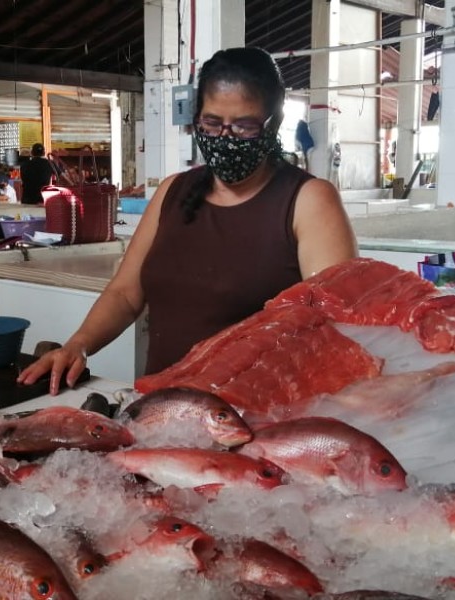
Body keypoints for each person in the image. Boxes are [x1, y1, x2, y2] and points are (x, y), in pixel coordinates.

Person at [18, 47, 358, 395]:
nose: (225, 138)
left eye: (243, 127)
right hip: (163, 410)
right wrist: (78, 345)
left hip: (253, 420)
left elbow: (336, 326)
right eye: (211, 123)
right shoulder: (173, 191)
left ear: (274, 123)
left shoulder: (308, 201)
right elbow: (125, 293)